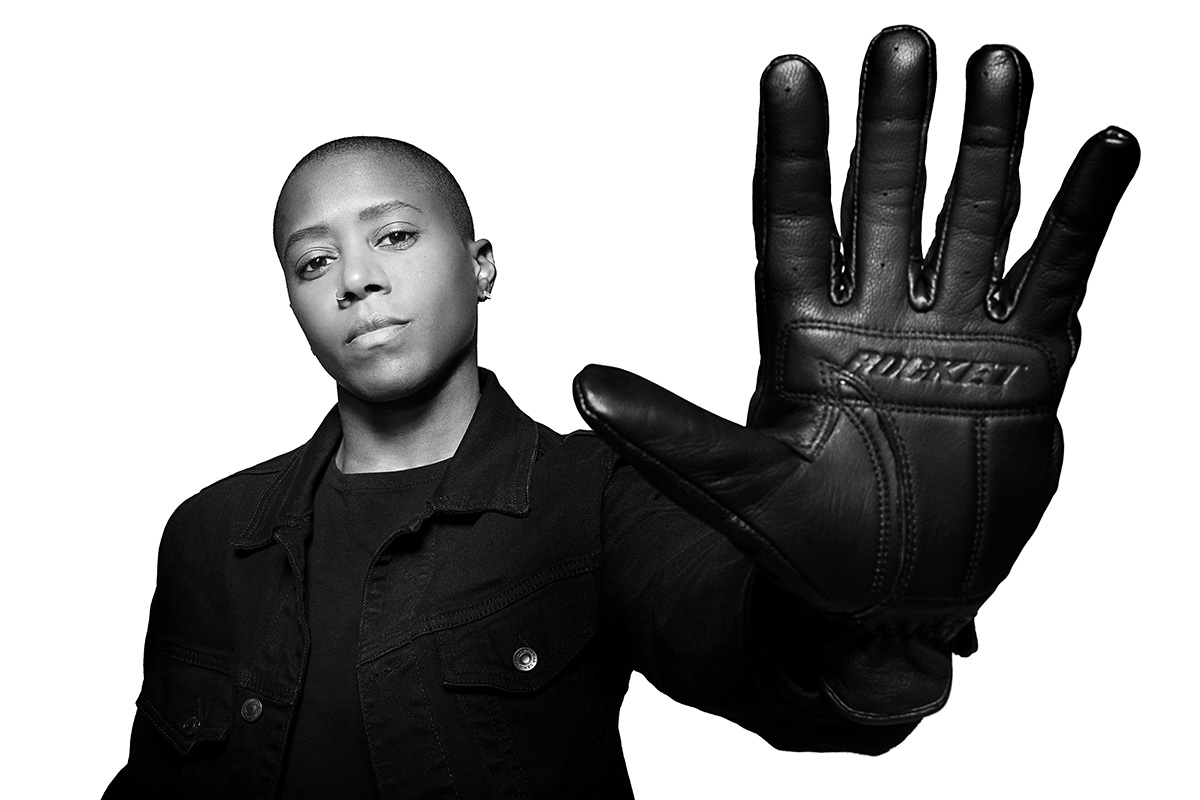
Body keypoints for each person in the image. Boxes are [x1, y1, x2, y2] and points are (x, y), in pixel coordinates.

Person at [103, 25, 1138, 799]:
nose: (356, 280)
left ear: (482, 266)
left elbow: (763, 665)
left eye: (396, 237)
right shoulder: (209, 534)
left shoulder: (596, 499)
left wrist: (866, 613)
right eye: (314, 260)